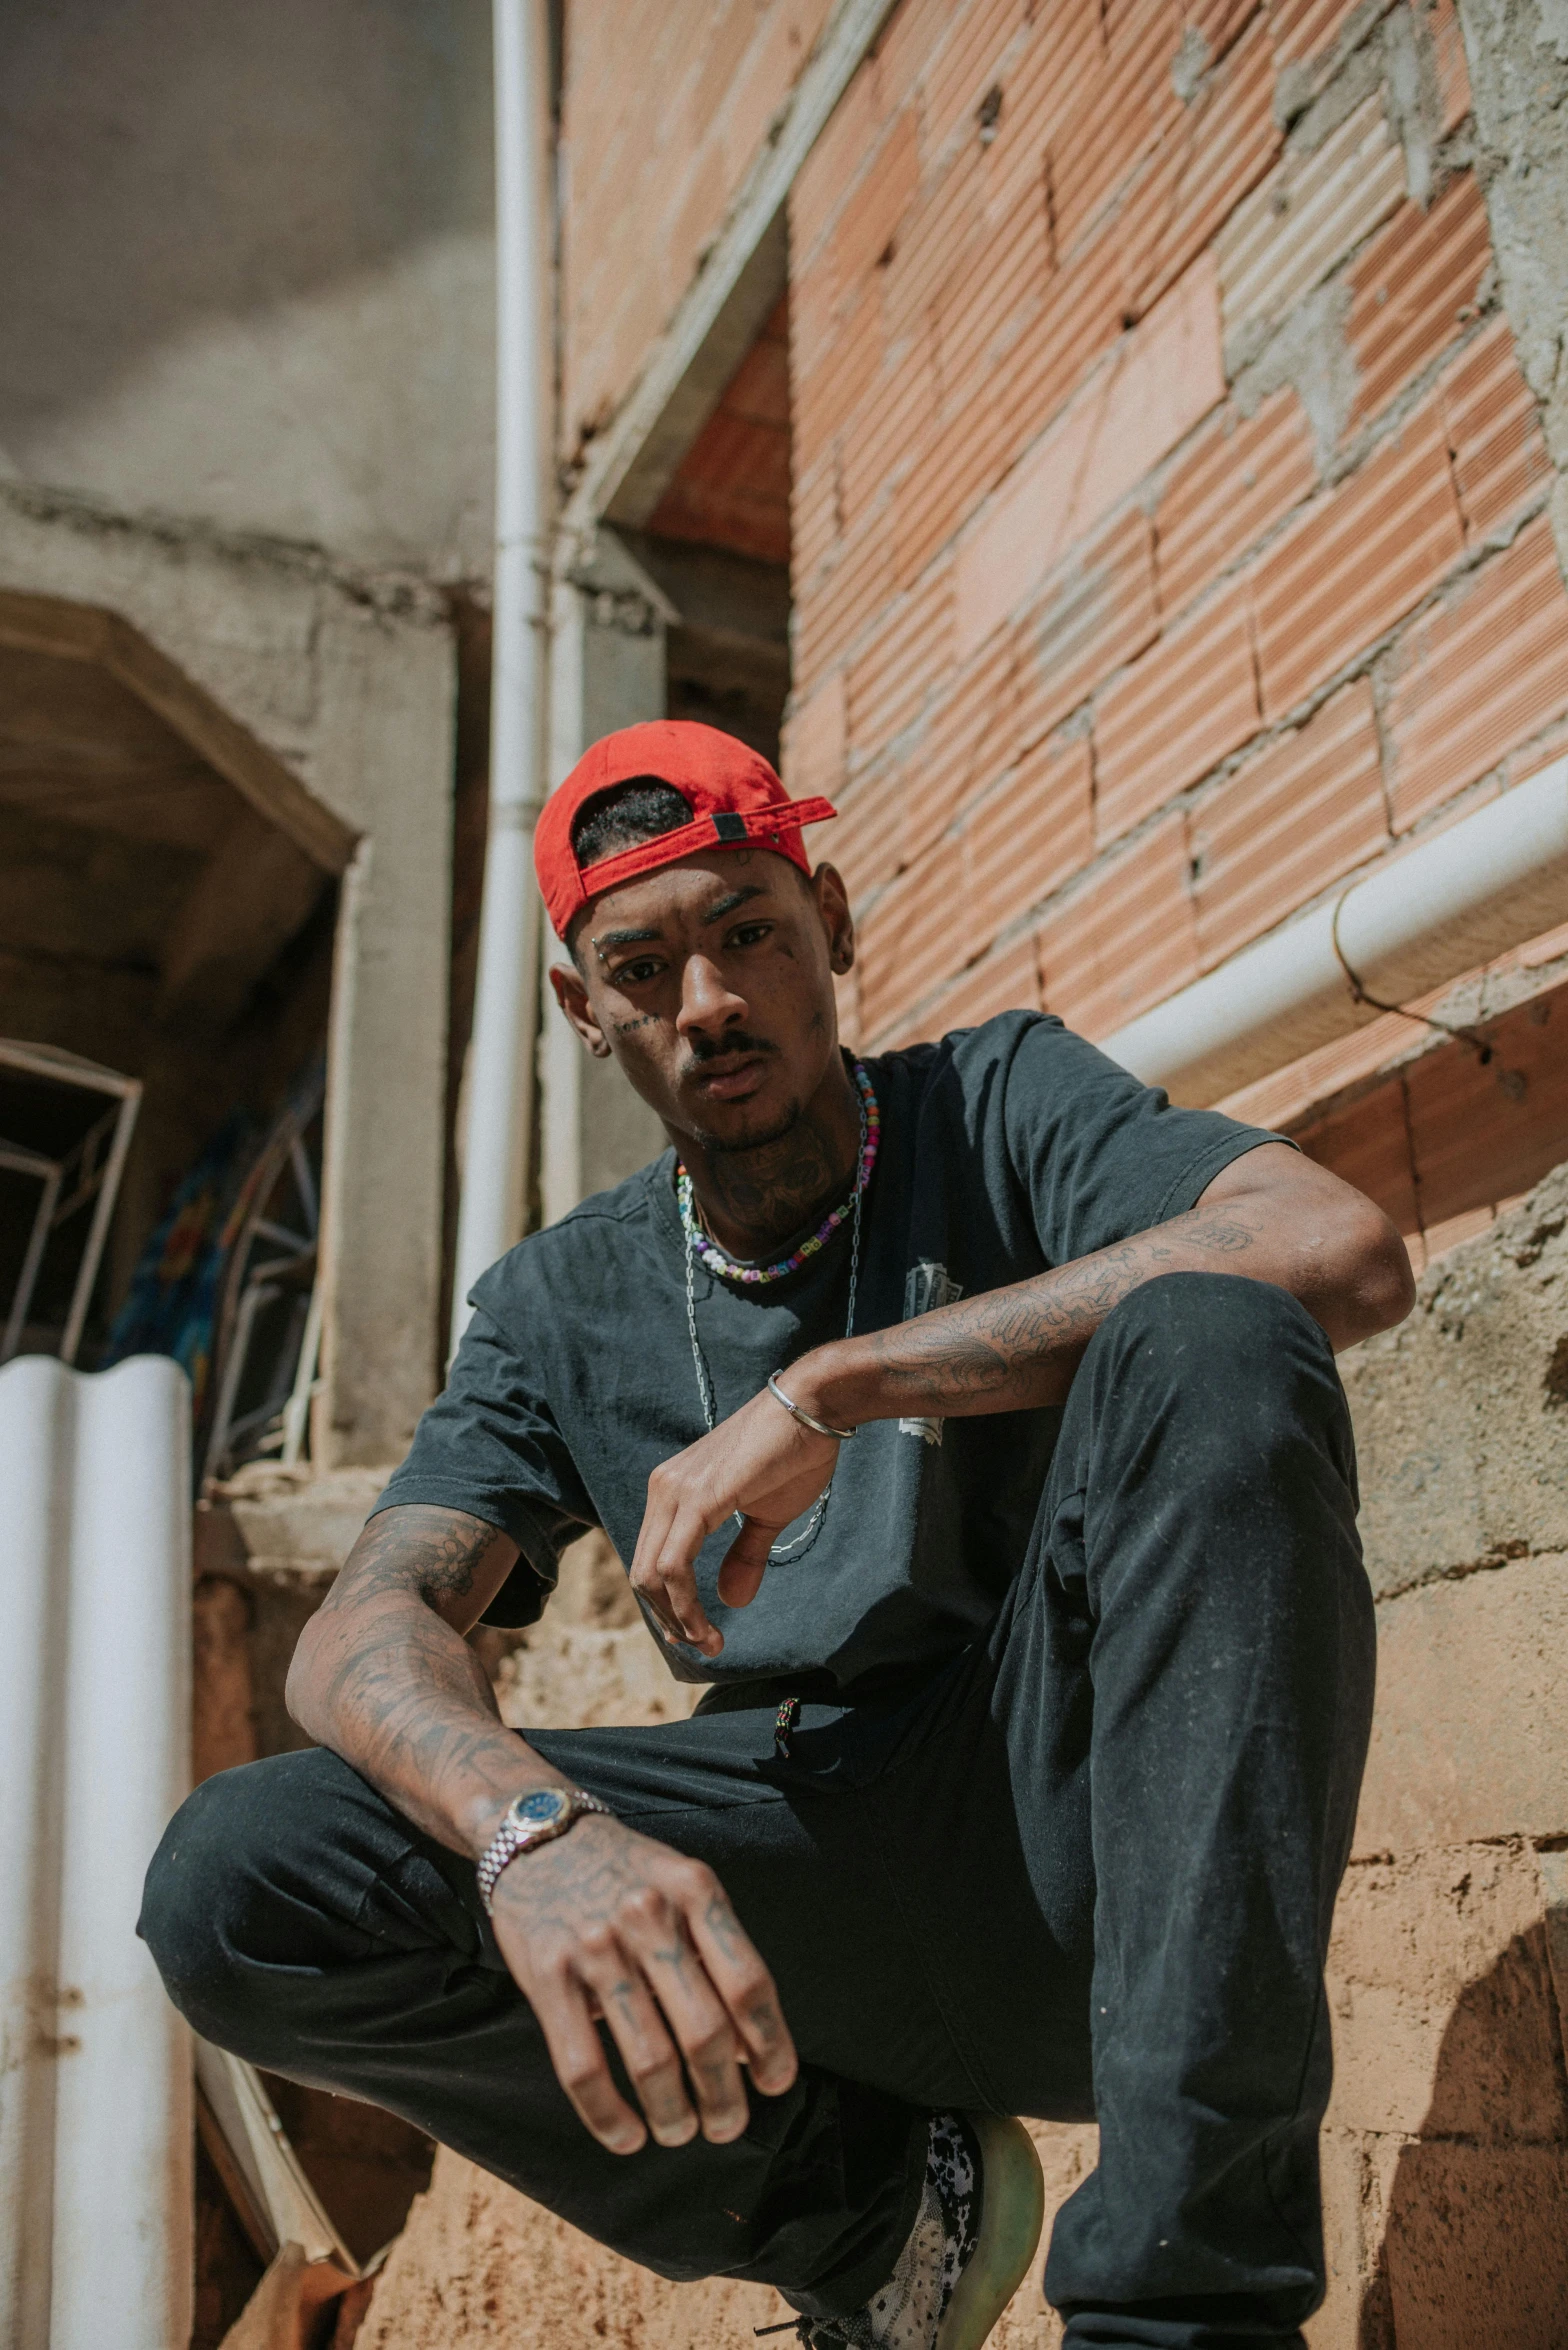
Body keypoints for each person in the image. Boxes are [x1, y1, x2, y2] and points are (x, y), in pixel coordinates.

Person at [142, 720, 1414, 2350]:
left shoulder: (995, 1102)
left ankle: (1184, 2320)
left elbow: (1335, 1241)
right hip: (789, 1896)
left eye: (751, 929)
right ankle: (877, 2211)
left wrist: (841, 1384)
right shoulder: (554, 1307)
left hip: (1087, 1826)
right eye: (645, 963)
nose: (711, 1000)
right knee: (241, 1875)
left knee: (1215, 1331)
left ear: (833, 923)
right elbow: (369, 1627)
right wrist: (534, 1830)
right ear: (582, 1009)